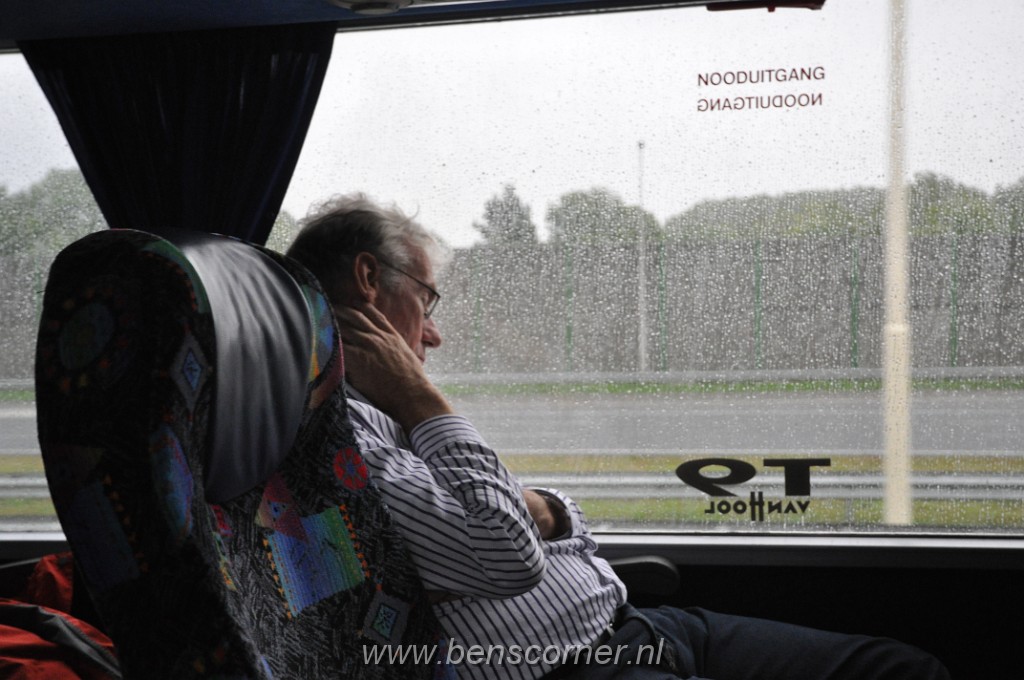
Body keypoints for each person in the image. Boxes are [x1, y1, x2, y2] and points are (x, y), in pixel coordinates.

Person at [285, 193, 950, 680]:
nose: (433, 333)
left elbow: (561, 522)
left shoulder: (399, 417)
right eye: (427, 301)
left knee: (905, 669)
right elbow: (508, 553)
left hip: (639, 626)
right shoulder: (344, 438)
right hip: (568, 668)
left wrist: (541, 511)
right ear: (369, 280)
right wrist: (424, 401)